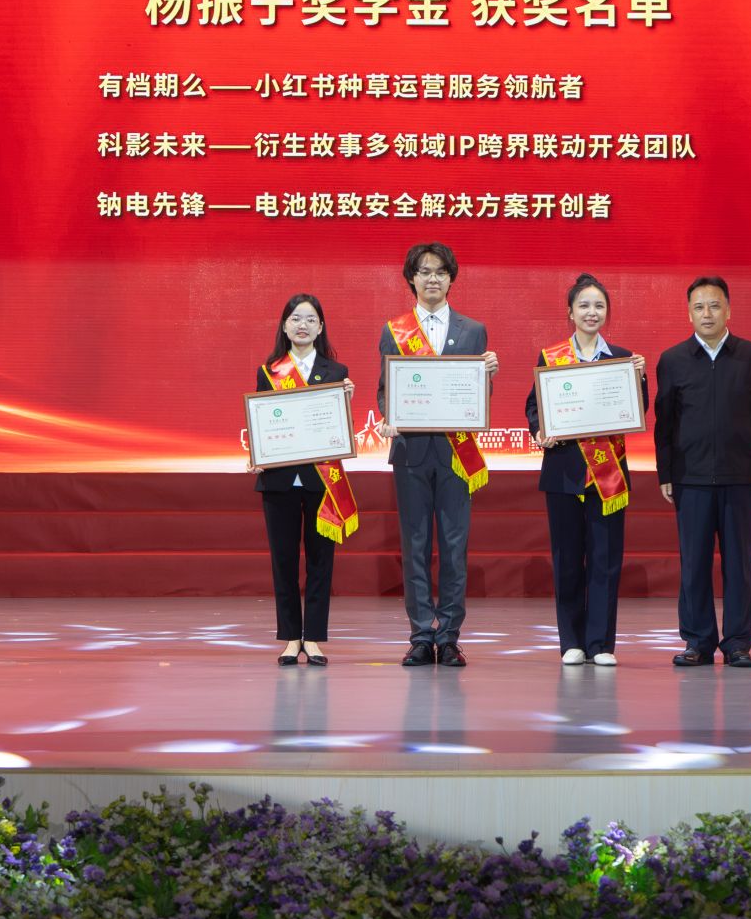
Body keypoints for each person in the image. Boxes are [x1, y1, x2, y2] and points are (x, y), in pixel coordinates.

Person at [374, 242, 498, 667]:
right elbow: (385, 390)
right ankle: (420, 635)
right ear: (411, 278)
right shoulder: (394, 331)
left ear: (451, 278)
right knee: (414, 545)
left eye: (440, 272)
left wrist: (488, 377)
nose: (432, 278)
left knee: (454, 545)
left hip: (455, 454)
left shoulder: (473, 330)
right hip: (410, 451)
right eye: (424, 271)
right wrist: (389, 415)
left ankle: (448, 636)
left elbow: (476, 396)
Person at [653, 276, 751, 668]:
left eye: (714, 305)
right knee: (694, 564)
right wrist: (665, 472)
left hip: (739, 476)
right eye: (699, 307)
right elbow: (664, 424)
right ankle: (698, 641)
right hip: (689, 478)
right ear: (689, 313)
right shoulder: (672, 360)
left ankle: (738, 643)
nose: (707, 313)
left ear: (728, 310)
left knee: (739, 564)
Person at [525, 273, 647, 667]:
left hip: (607, 477)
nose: (591, 312)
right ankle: (572, 642)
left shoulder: (623, 359)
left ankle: (601, 644)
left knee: (605, 561)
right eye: (584, 305)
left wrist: (640, 380)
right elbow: (534, 406)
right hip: (563, 473)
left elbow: (637, 410)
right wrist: (540, 430)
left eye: (598, 306)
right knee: (567, 560)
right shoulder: (551, 357)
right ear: (570, 312)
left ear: (607, 312)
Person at [251, 294, 358, 666]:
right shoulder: (269, 371)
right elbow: (264, 422)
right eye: (296, 318)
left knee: (320, 562)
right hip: (278, 480)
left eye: (310, 319)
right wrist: (258, 454)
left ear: (320, 327)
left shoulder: (337, 371)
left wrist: (346, 403)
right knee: (283, 562)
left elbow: (339, 429)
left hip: (320, 480)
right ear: (284, 325)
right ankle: (289, 639)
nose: (302, 325)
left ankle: (312, 638)